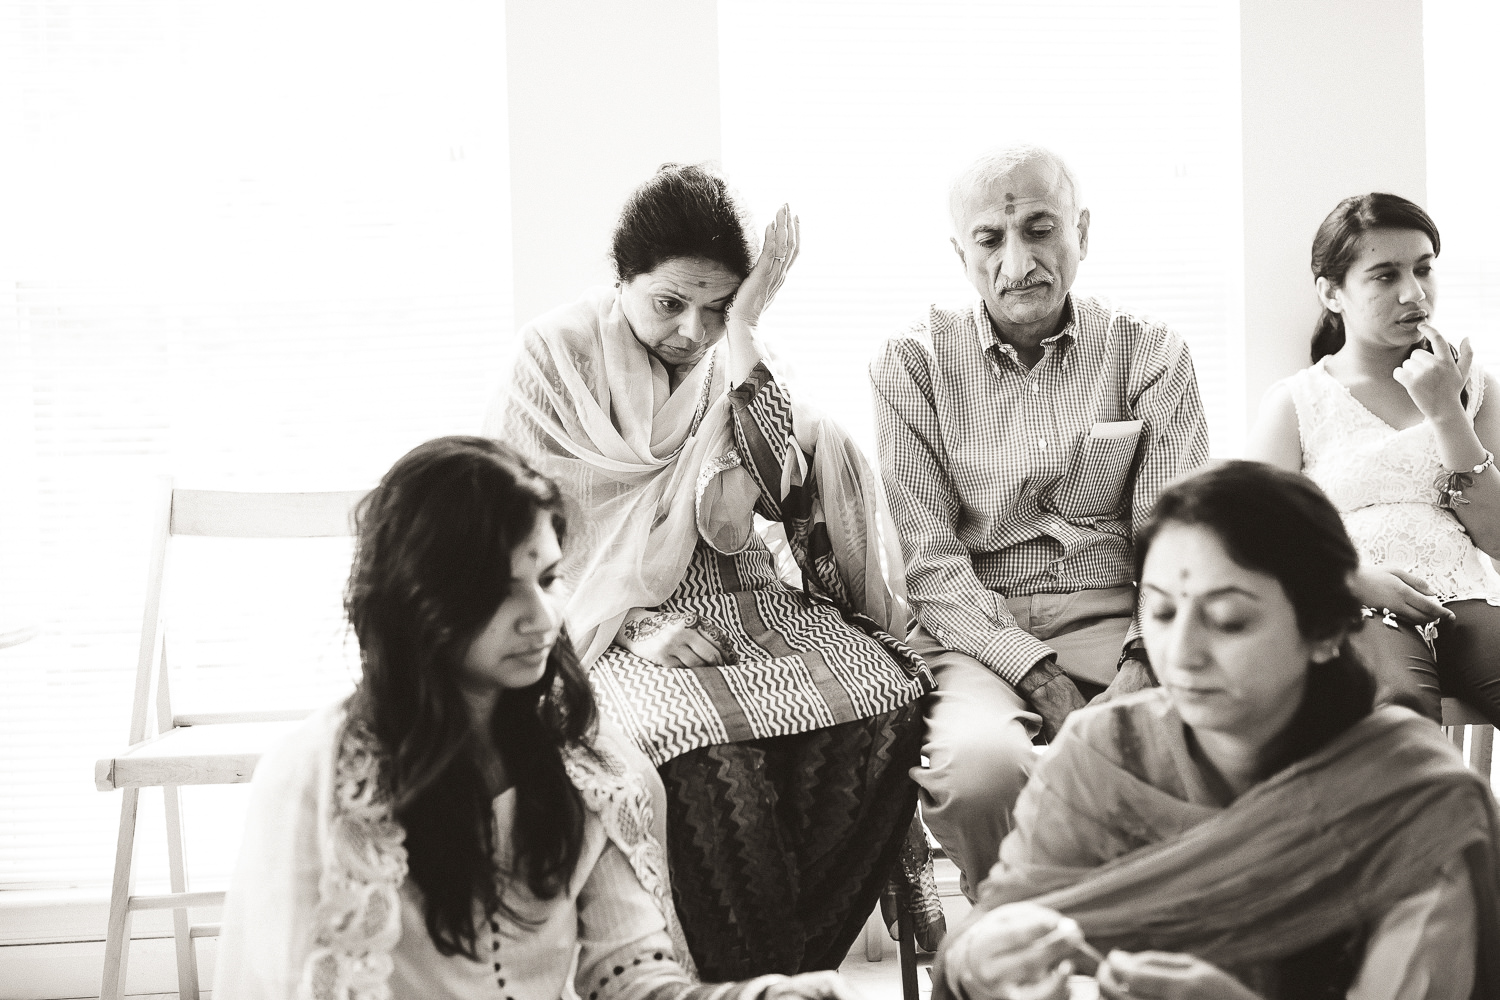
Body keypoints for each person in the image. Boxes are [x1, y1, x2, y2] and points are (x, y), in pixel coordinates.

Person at [212, 437, 863, 1000]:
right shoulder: (320, 779)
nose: (542, 618)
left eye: (549, 579)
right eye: (499, 589)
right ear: (417, 597)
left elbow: (630, 981)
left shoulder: (590, 764)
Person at [489, 164, 934, 977]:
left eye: (717, 306)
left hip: (742, 599)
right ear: (622, 280)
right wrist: (642, 621)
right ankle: (767, 980)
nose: (692, 331)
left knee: (891, 703)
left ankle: (780, 975)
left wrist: (747, 327)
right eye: (669, 303)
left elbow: (775, 481)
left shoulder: (739, 353)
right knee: (698, 748)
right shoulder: (552, 357)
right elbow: (525, 537)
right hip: (602, 622)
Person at [932, 461, 1500, 1000]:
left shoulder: (1414, 802)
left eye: (1229, 620)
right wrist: (991, 962)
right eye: (1160, 612)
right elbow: (995, 925)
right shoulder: (1103, 754)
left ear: (1326, 628)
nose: (1181, 655)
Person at [869, 144, 1209, 898]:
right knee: (981, 774)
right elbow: (930, 566)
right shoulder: (911, 365)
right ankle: (1026, 945)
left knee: (1174, 757)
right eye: (991, 239)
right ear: (961, 254)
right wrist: (1045, 683)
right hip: (976, 631)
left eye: (1040, 228)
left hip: (1122, 618)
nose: (1018, 261)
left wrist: (1140, 663)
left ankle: (1125, 949)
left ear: (1082, 232)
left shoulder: (1153, 353)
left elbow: (1175, 546)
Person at [1248, 192, 1500, 726]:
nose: (1414, 293)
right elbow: (1254, 538)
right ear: (1332, 293)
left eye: (1424, 269)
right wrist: (1350, 578)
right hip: (1356, 602)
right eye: (1385, 276)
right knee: (1398, 717)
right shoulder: (1297, 401)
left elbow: (1499, 539)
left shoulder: (1474, 387)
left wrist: (1447, 413)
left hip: (1466, 598)